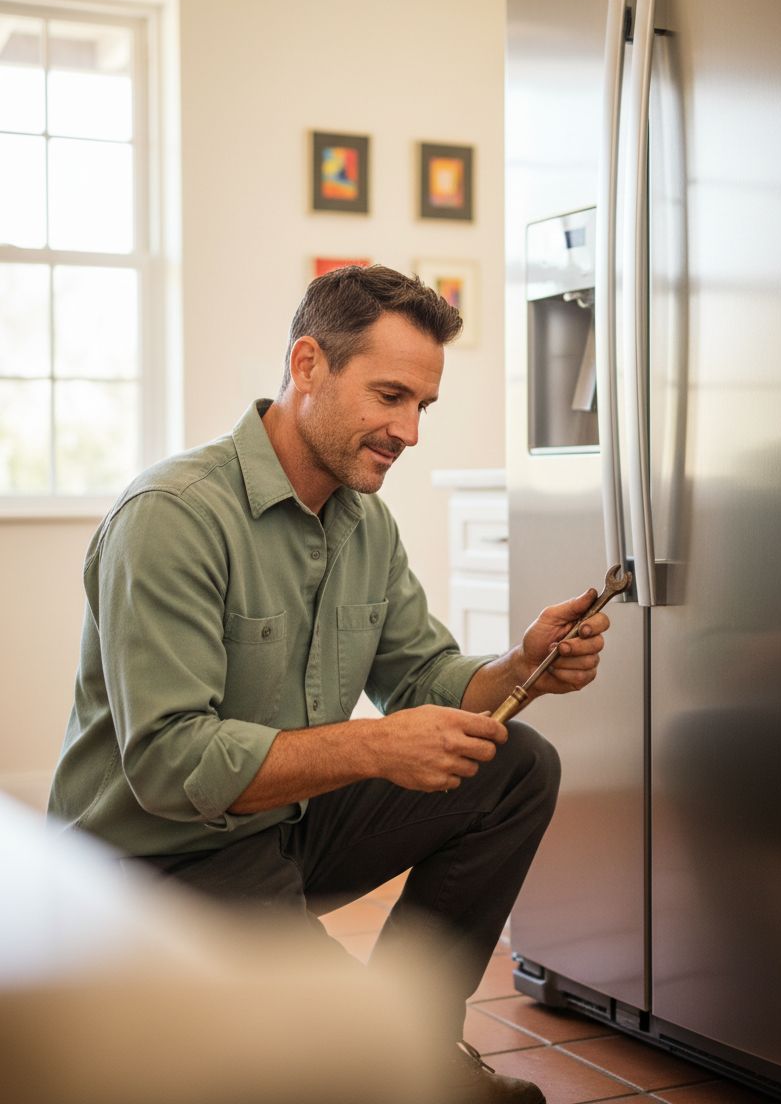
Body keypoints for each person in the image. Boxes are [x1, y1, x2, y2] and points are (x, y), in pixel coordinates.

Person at [49, 265, 611, 1104]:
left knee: (515, 764)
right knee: (339, 1052)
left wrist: (520, 665)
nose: (410, 432)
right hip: (154, 867)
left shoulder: (363, 522)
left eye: (422, 406)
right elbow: (169, 765)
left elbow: (421, 674)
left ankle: (419, 1040)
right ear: (307, 364)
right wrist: (377, 745)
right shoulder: (173, 517)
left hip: (281, 831)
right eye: (390, 396)